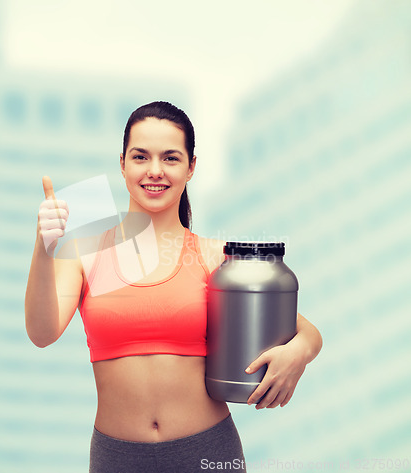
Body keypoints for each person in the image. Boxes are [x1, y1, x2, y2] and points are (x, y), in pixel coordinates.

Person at [25, 101, 323, 472]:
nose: (154, 171)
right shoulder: (86, 252)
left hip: (208, 450)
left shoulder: (214, 257)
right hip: (117, 458)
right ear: (122, 164)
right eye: (140, 157)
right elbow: (42, 332)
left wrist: (300, 353)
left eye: (170, 158)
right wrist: (45, 246)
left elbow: (303, 330)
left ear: (190, 167)